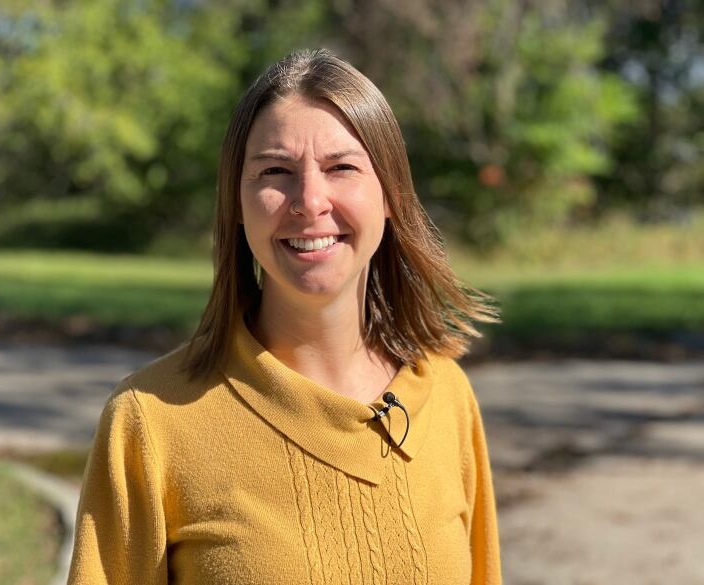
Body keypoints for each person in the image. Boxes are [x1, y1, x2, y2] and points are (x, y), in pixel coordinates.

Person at [68, 48, 502, 585]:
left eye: (342, 167)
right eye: (276, 170)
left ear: (390, 195)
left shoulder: (448, 397)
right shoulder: (150, 420)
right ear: (237, 201)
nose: (309, 200)